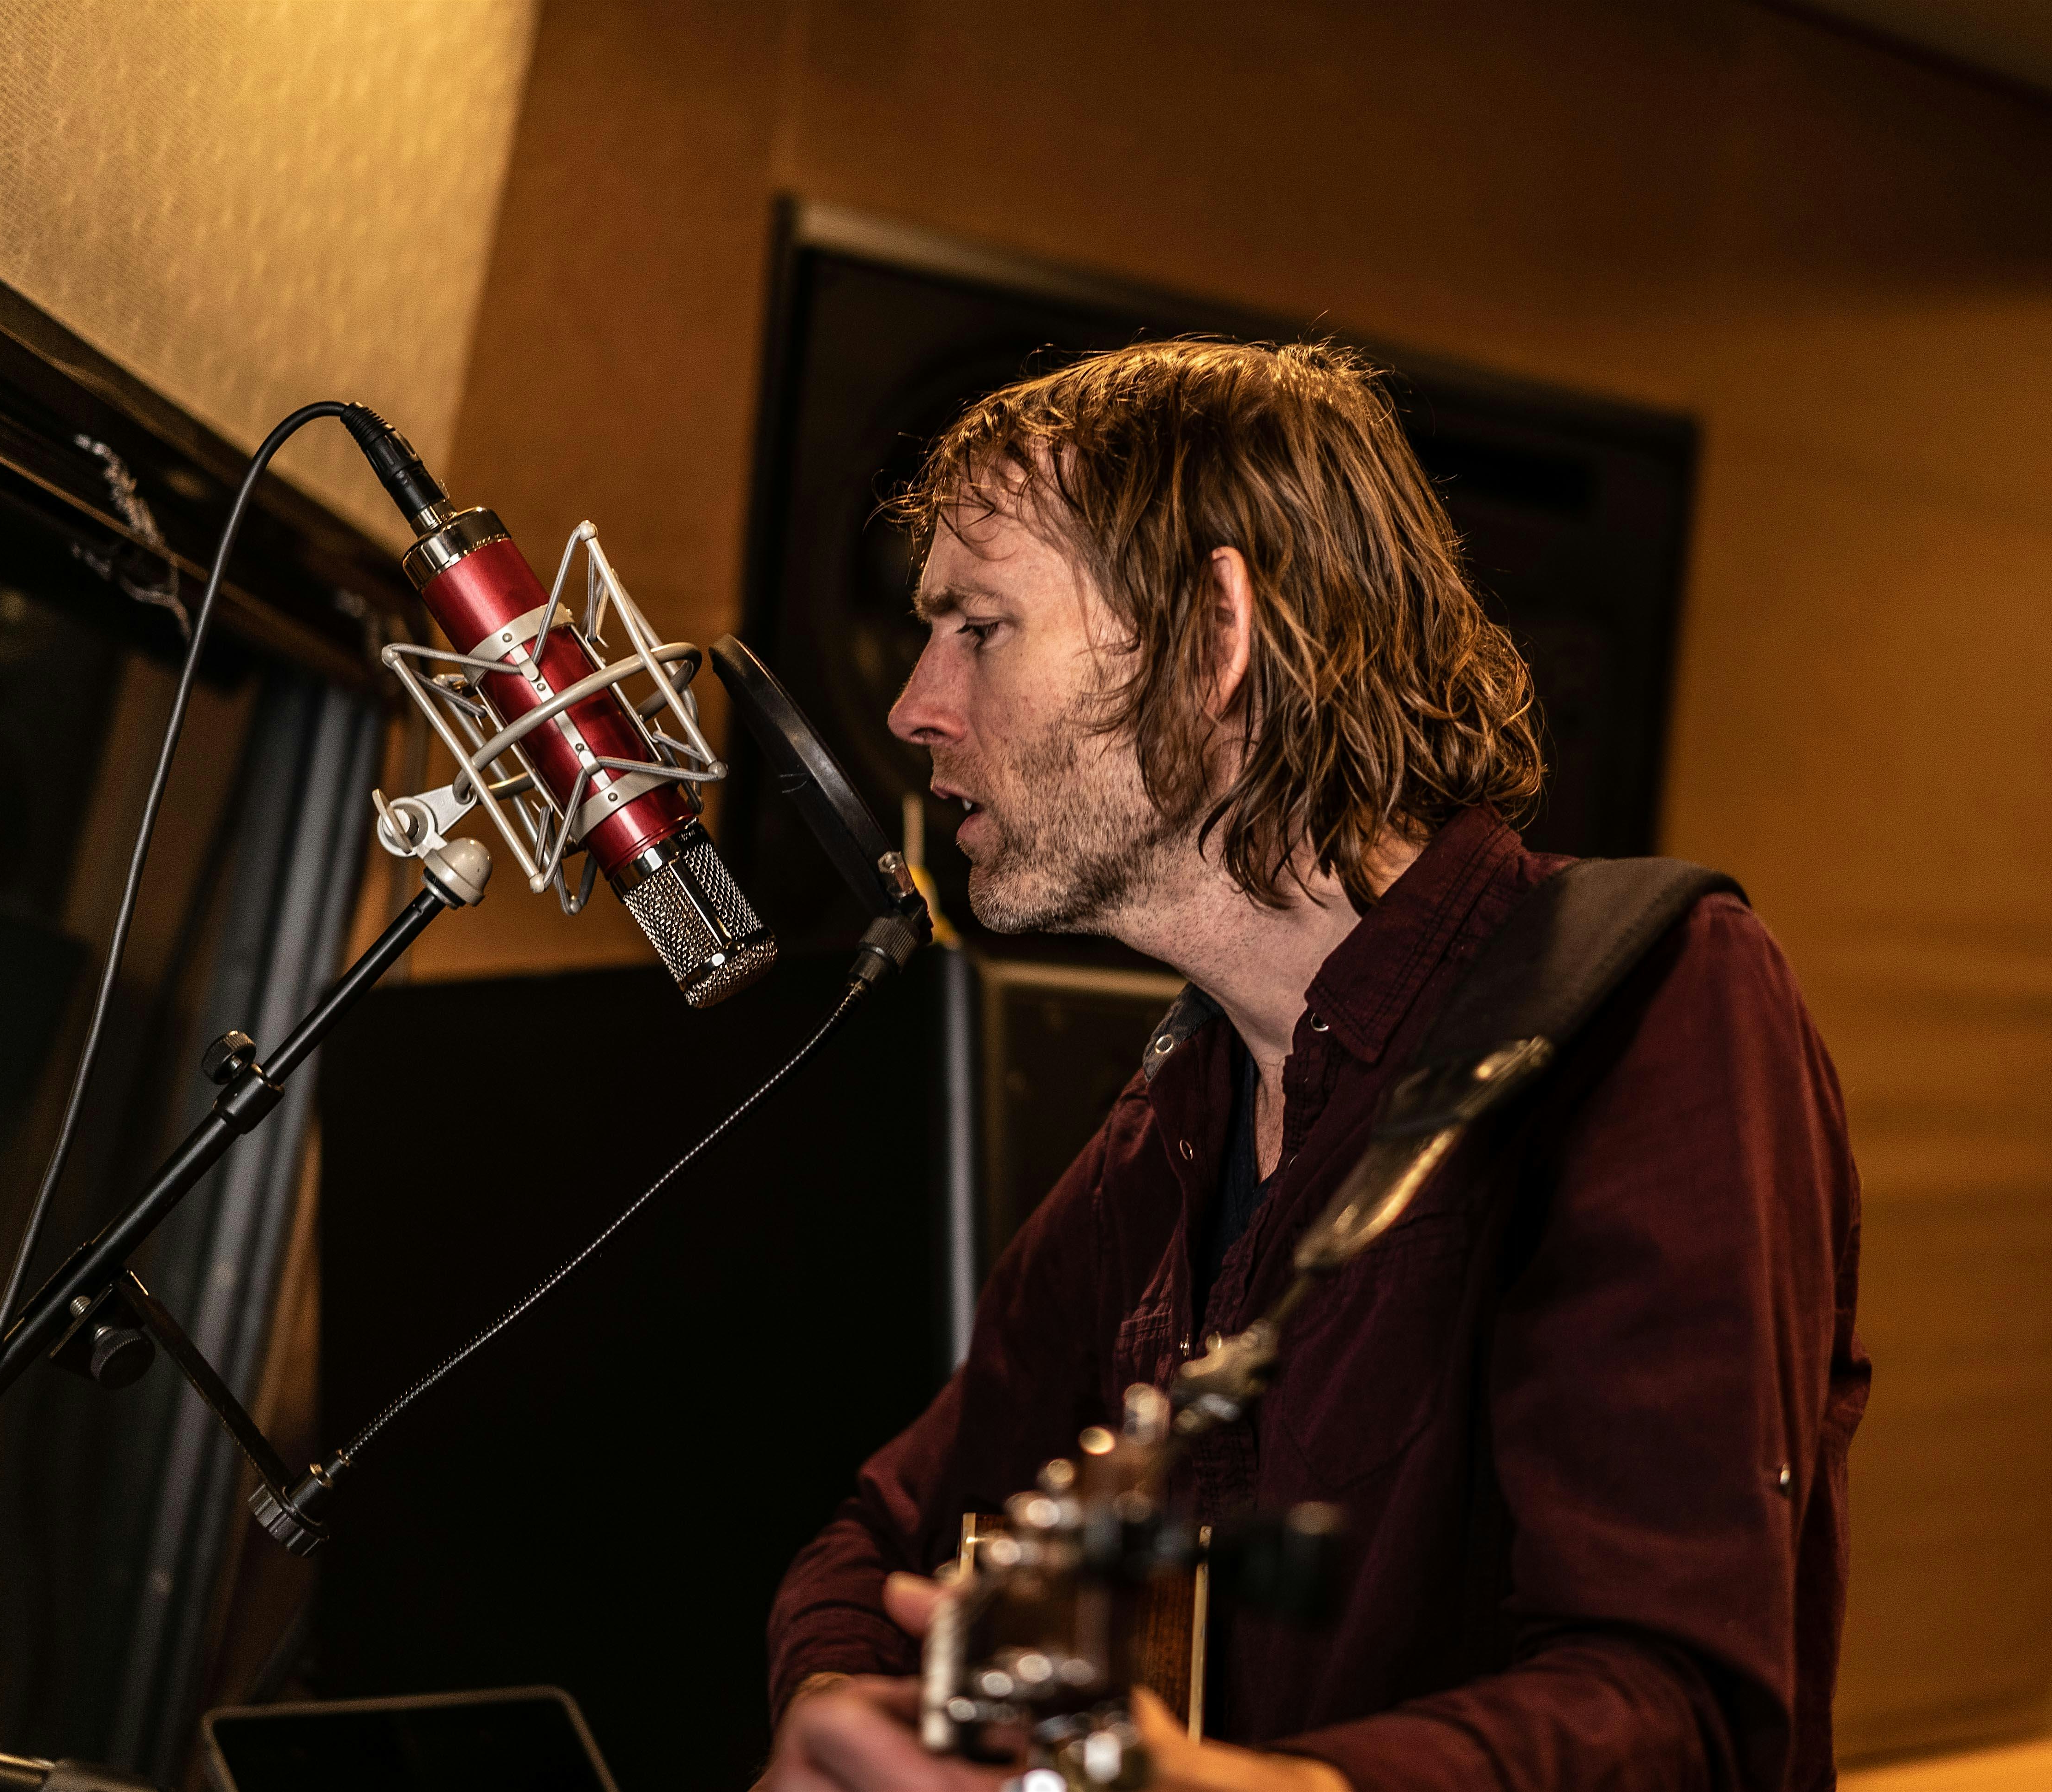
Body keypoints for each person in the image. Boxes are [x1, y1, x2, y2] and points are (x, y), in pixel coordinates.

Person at [760, 340, 1868, 1792]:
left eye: (980, 626)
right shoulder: (1175, 1121)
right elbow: (882, 1535)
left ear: (1215, 636)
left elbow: (1681, 1709)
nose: (917, 704)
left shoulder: (1660, 1005)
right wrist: (843, 1713)